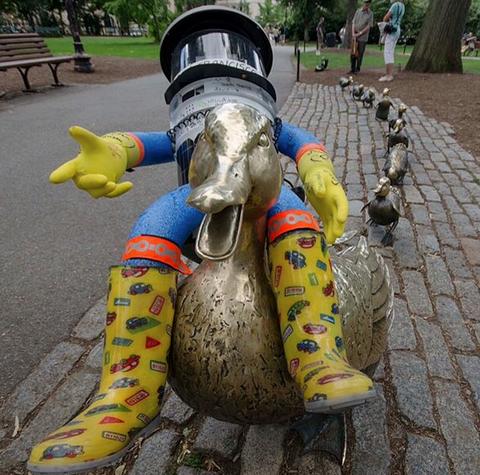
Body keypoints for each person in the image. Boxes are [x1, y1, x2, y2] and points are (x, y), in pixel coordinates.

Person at [27, 7, 375, 475]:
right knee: (149, 232)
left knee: (293, 220)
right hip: (198, 195)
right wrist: (109, 153)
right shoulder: (185, 130)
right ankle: (127, 388)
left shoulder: (267, 127)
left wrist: (317, 172)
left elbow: (304, 144)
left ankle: (319, 352)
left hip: (266, 194)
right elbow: (141, 143)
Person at [379, 0, 405, 82]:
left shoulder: (395, 5)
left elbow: (385, 18)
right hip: (397, 29)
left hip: (391, 30)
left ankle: (388, 75)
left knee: (387, 52)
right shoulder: (402, 6)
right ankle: (389, 73)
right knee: (391, 52)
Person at [349, 0, 374, 74]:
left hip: (363, 37)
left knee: (360, 53)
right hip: (355, 35)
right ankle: (352, 68)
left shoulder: (370, 14)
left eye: (368, 3)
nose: (366, 4)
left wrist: (359, 33)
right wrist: (353, 33)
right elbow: (353, 22)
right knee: (353, 52)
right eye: (365, 2)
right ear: (363, 3)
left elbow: (368, 26)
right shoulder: (358, 11)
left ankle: (357, 69)